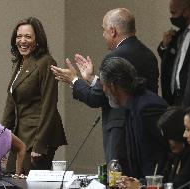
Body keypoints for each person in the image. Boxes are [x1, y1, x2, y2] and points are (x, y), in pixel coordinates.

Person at [51, 8, 159, 176]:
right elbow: (119, 90)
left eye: (103, 29)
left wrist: (73, 80)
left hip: (120, 134)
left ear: (112, 31)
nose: (103, 35)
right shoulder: (149, 55)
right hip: (146, 130)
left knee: (119, 179)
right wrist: (92, 79)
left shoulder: (114, 57)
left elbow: (96, 98)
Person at [1, 17, 67, 175]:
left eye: (28, 36)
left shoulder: (45, 62)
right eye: (19, 36)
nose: (22, 41)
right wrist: (0, 140)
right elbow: (11, 103)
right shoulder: (20, 63)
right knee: (11, 177)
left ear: (38, 39)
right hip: (20, 135)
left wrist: (40, 145)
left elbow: (49, 106)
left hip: (37, 136)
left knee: (29, 182)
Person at [98, 56, 168, 179]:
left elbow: (165, 151)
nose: (103, 90)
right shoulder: (132, 105)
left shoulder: (147, 107)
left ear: (112, 86)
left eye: (104, 85)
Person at [118, 106, 190, 189]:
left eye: (188, 129)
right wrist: (139, 183)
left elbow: (179, 185)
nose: (185, 134)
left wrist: (141, 187)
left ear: (177, 134)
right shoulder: (174, 156)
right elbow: (162, 179)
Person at [158, 0, 190, 107]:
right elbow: (170, 61)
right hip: (174, 99)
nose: (172, 18)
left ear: (186, 11)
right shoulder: (179, 34)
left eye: (174, 13)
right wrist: (164, 46)